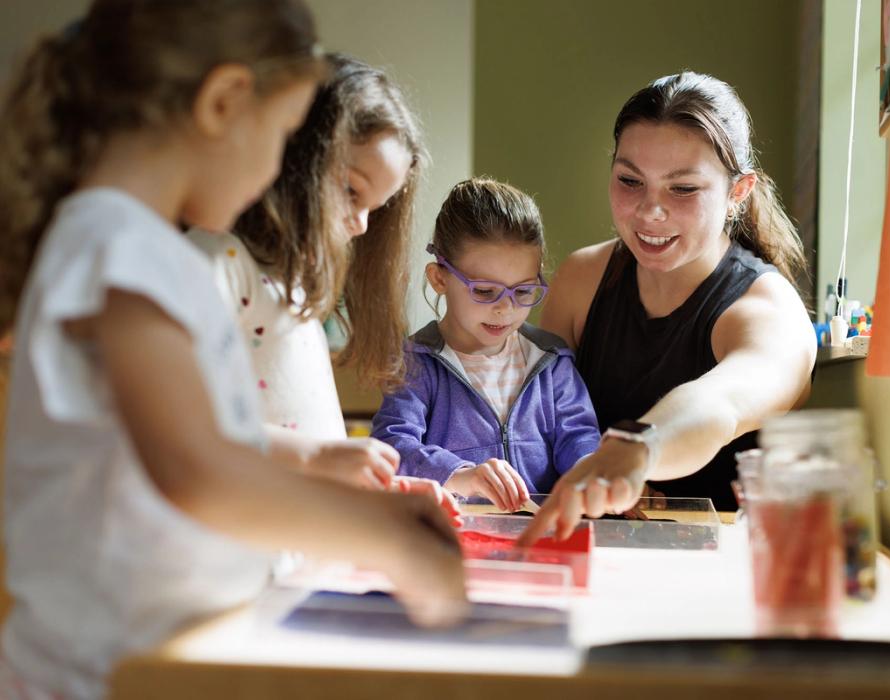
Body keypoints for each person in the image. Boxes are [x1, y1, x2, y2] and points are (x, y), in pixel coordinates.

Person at [0, 3, 464, 698]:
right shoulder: (118, 246)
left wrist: (327, 475)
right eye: (281, 134)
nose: (280, 167)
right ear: (223, 103)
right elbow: (195, 468)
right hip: (95, 676)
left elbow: (196, 440)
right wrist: (387, 540)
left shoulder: (137, 250)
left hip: (156, 662)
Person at [521, 72, 815, 544]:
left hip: (715, 574)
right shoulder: (581, 280)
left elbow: (721, 402)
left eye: (682, 189)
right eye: (630, 181)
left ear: (738, 192)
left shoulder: (767, 308)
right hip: (590, 554)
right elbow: (542, 422)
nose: (648, 212)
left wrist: (640, 448)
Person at [188, 54, 456, 512]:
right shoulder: (218, 261)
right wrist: (319, 456)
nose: (361, 225)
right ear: (296, 154)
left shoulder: (298, 293)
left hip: (299, 547)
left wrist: (379, 492)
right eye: (352, 190)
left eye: (377, 206)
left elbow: (309, 452)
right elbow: (185, 426)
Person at [371, 178, 601, 512]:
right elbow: (392, 447)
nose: (505, 308)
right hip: (454, 536)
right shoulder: (416, 362)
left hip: (539, 535)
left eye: (523, 291)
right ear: (439, 278)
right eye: (484, 291)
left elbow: (579, 438)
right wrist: (461, 474)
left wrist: (593, 477)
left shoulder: (551, 360)